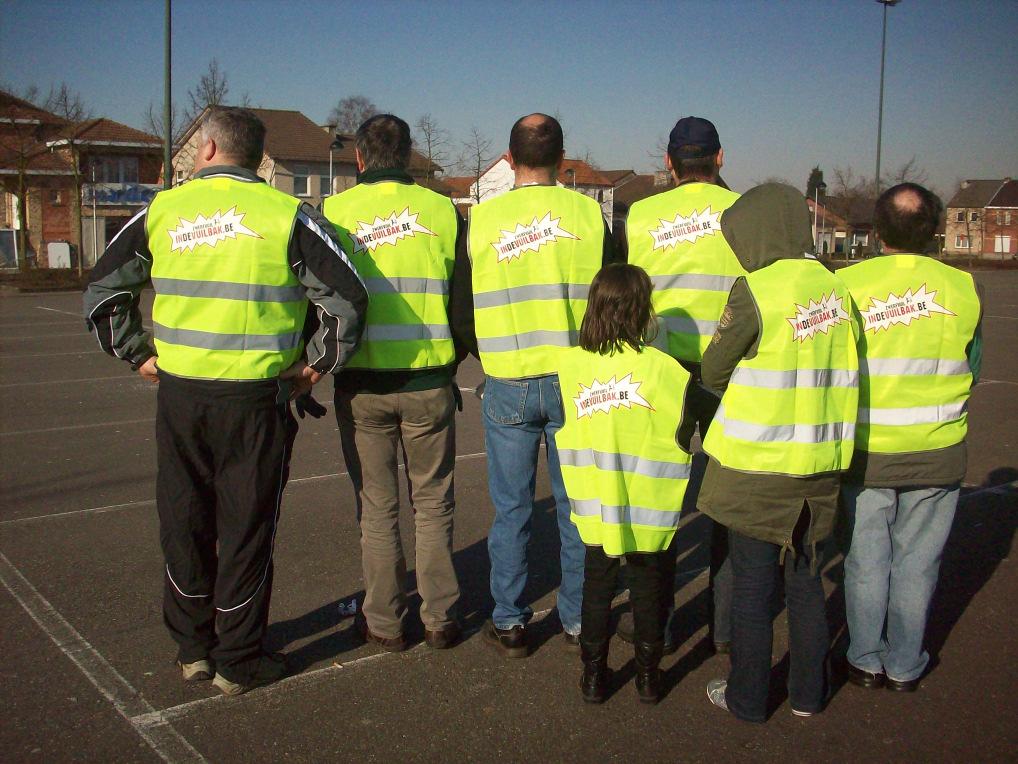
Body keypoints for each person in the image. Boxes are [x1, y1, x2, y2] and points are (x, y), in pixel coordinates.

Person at [83, 107, 367, 696]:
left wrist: (137, 353)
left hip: (182, 396)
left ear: (208, 149)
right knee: (247, 526)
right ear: (258, 158)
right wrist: (315, 366)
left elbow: (103, 290)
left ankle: (193, 648)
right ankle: (238, 657)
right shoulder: (289, 216)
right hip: (256, 401)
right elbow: (347, 296)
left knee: (184, 520)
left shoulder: (161, 211)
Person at [699, 183, 859, 722]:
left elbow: (713, 370)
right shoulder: (838, 291)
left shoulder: (756, 290)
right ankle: (809, 695)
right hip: (817, 466)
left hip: (757, 467)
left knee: (752, 589)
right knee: (807, 583)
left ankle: (747, 698)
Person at [455, 113, 614, 657]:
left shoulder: (481, 219)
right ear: (562, 158)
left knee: (512, 507)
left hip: (507, 377)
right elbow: (612, 299)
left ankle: (509, 620)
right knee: (577, 508)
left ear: (511, 155)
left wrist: (486, 350)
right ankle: (577, 617)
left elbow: (461, 304)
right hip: (576, 378)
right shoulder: (590, 215)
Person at [321, 114, 468, 651]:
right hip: (428, 376)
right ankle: (440, 618)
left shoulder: (332, 212)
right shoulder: (443, 210)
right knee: (433, 504)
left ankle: (384, 623)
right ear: (408, 156)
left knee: (376, 508)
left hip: (362, 382)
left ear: (360, 158)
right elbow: (461, 298)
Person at [838, 183, 982, 692]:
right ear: (934, 232)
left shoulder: (850, 285)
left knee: (866, 561)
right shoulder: (961, 287)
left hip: (868, 449)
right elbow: (975, 364)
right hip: (938, 448)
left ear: (876, 233)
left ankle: (863, 657)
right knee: (918, 564)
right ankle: (904, 662)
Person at [623, 117, 744, 654]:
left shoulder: (641, 214)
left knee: (661, 497)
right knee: (726, 500)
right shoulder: (743, 212)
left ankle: (658, 619)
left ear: (668, 163)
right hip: (731, 372)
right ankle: (727, 623)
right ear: (719, 158)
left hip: (662, 370)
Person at [556, 263, 693, 704]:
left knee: (597, 588)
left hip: (595, 505)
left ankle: (594, 677)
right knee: (648, 593)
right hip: (649, 507)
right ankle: (649, 678)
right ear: (641, 311)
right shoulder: (666, 370)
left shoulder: (570, 366)